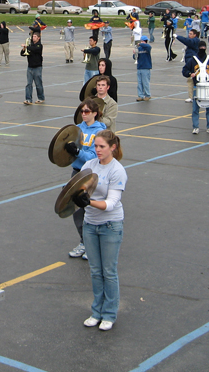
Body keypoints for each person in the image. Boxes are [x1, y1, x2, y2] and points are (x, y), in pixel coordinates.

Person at [73, 129, 126, 332]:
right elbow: (79, 187)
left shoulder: (117, 170)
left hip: (110, 225)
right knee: (95, 271)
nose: (97, 150)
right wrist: (76, 195)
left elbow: (111, 203)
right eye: (95, 146)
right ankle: (96, 311)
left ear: (113, 147)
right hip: (90, 224)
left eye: (102, 147)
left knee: (109, 271)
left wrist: (89, 202)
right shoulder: (90, 165)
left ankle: (109, 313)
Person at [64, 98, 107, 261]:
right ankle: (84, 242)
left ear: (95, 113)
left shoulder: (100, 132)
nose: (83, 114)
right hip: (76, 172)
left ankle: (93, 245)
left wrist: (77, 152)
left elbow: (94, 156)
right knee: (77, 211)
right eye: (82, 111)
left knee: (91, 210)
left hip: (91, 174)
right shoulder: (77, 130)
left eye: (87, 111)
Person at [182, 42, 209, 135]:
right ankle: (195, 127)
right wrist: (190, 74)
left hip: (208, 87)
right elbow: (184, 70)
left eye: (204, 47)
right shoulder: (193, 60)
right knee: (195, 108)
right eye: (201, 47)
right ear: (198, 48)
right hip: (196, 87)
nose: (202, 48)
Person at [175, 29, 201, 103]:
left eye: (191, 34)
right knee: (190, 81)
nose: (189, 35)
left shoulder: (195, 41)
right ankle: (191, 96)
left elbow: (187, 41)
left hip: (194, 64)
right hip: (190, 63)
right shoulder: (194, 41)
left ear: (194, 35)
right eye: (189, 33)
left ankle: (193, 96)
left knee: (192, 80)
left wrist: (178, 37)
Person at [21, 31, 44, 105]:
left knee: (38, 84)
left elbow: (35, 49)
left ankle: (40, 98)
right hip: (30, 67)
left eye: (35, 37)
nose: (33, 38)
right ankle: (28, 99)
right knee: (29, 84)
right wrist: (24, 49)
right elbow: (22, 54)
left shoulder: (39, 46)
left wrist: (27, 47)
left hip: (37, 67)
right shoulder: (30, 46)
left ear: (38, 38)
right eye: (33, 36)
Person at [135, 36, 152, 101]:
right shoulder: (139, 49)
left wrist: (140, 44)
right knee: (139, 83)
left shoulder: (147, 48)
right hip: (139, 67)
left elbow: (148, 46)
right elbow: (135, 57)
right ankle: (140, 95)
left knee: (145, 83)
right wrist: (135, 53)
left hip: (146, 67)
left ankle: (147, 95)